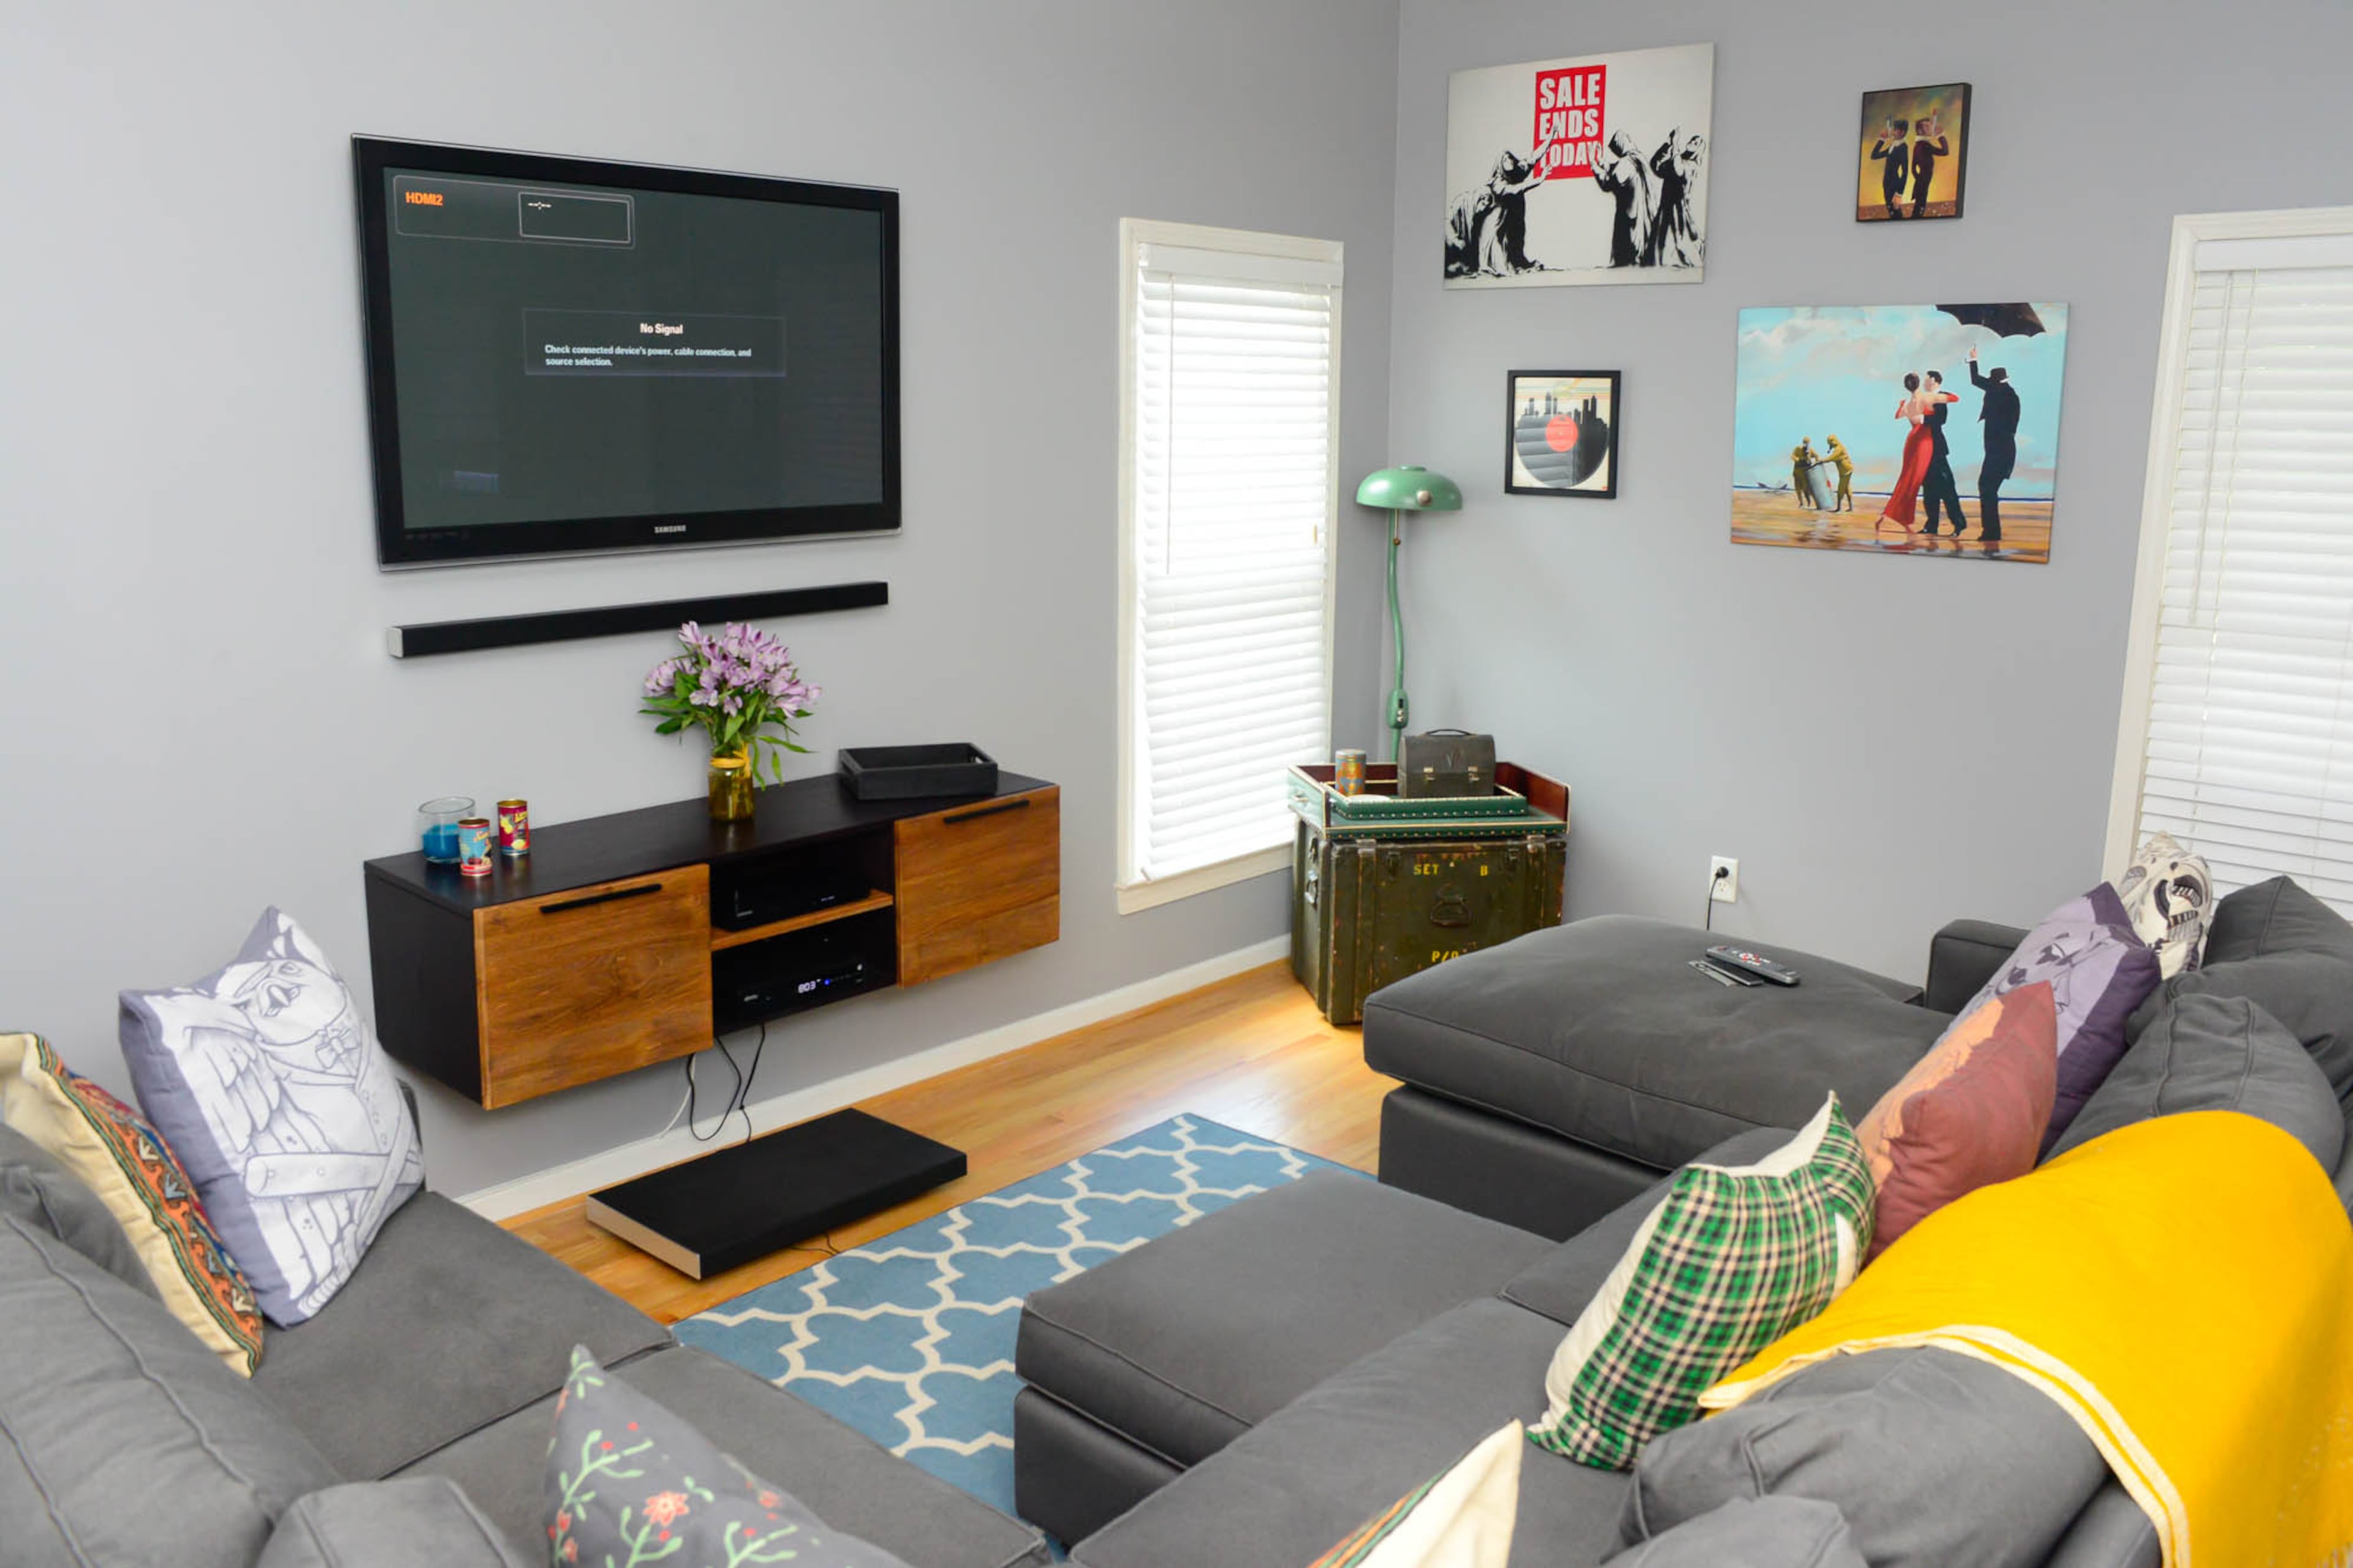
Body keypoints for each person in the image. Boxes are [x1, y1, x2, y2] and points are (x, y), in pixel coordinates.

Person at [1446, 150, 1547, 278]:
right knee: (1495, 247)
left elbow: (1534, 158)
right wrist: (1539, 180)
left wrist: (1550, 138)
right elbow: (1515, 189)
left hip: (1509, 222)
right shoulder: (1497, 183)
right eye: (1505, 160)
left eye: (1510, 158)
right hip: (1495, 225)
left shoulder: (1518, 171)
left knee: (1513, 243)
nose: (1509, 161)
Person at [1875, 373, 1938, 541]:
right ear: (1918, 383)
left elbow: (1898, 415)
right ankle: (1904, 523)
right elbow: (1954, 398)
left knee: (1907, 481)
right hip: (1923, 443)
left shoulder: (1908, 404)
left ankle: (1892, 519)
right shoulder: (1925, 399)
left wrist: (1902, 406)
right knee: (1911, 483)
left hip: (1914, 441)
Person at [1969, 346, 2020, 546]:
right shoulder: (2003, 392)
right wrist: (1973, 360)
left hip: (2000, 451)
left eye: (1991, 381)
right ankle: (1992, 531)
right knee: (1987, 489)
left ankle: (1992, 532)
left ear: (1996, 382)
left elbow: (1978, 381)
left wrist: (1974, 360)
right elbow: (1977, 380)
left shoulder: (2005, 396)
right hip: (1998, 451)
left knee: (1987, 488)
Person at [1593, 131, 1658, 267]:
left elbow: (1608, 184)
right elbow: (1616, 170)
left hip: (1630, 220)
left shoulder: (1626, 163)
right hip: (1643, 218)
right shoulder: (1639, 159)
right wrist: (1601, 161)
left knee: (1626, 262)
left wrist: (1593, 165)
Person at [1917, 369, 1967, 536]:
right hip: (1925, 448)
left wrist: (1922, 419)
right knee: (1929, 489)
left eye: (1926, 380)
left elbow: (1941, 420)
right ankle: (1932, 526)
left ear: (1934, 380)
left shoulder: (1941, 397)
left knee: (1947, 488)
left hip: (1936, 448)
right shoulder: (1926, 397)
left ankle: (1959, 524)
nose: (1924, 383)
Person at [1648, 128, 1705, 267]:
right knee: (1659, 246)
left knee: (1680, 243)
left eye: (1696, 143)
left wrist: (1675, 144)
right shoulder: (1677, 158)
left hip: (1679, 210)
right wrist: (1667, 144)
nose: (1692, 142)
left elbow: (1678, 170)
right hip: (1666, 208)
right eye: (1692, 140)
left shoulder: (1691, 165)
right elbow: (1656, 167)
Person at [1908, 110, 1950, 220]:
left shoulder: (1918, 145)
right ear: (1920, 131)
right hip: (1923, 183)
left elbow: (1913, 169)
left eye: (1930, 125)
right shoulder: (1925, 145)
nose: (1930, 128)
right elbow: (1945, 151)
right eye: (1927, 127)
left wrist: (1920, 179)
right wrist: (1940, 136)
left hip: (1921, 183)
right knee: (1920, 208)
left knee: (1918, 208)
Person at [1868, 118, 1909, 219]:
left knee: (1895, 213)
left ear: (1902, 132)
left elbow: (1905, 172)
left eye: (1895, 130)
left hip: (1894, 186)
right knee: (1892, 212)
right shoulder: (1893, 146)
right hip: (1887, 185)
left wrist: (1899, 193)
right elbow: (1874, 156)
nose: (1892, 132)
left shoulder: (1903, 147)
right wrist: (1882, 140)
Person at [1824, 434, 1855, 511]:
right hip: (1845, 470)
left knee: (1841, 489)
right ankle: (1851, 508)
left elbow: (1832, 458)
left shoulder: (1839, 449)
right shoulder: (1839, 448)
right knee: (1847, 488)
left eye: (1830, 444)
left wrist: (1822, 461)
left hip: (1846, 471)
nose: (1830, 446)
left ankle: (1839, 508)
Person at [1791, 439, 1821, 509]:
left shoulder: (1810, 450)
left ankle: (1808, 503)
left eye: (1807, 443)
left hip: (1805, 473)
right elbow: (1793, 456)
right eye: (1805, 443)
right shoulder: (1798, 449)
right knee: (1798, 489)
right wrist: (1799, 459)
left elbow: (1817, 456)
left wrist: (1816, 463)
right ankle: (1801, 503)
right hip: (1797, 472)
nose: (1806, 445)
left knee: (1806, 489)